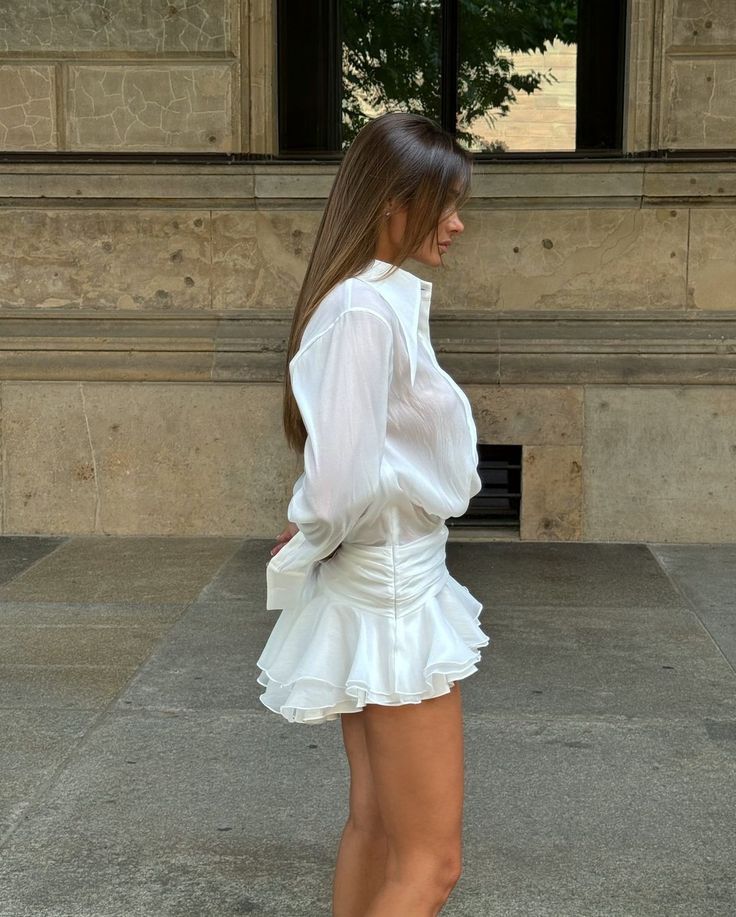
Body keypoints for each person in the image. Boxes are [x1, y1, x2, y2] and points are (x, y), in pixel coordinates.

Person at [256, 111, 491, 917]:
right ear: (394, 201)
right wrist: (310, 529)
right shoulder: (363, 311)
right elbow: (339, 485)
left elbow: (343, 473)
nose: (456, 223)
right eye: (445, 203)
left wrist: (311, 528)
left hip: (383, 581)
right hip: (394, 594)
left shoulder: (368, 303)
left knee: (380, 828)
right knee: (432, 863)